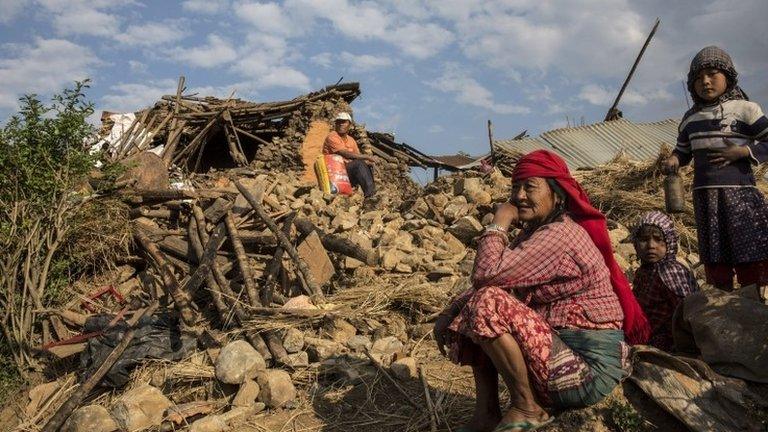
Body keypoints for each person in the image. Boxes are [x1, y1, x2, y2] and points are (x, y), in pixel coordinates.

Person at [434, 150, 649, 432]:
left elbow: (486, 276)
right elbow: (499, 283)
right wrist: (450, 312)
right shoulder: (537, 234)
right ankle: (486, 414)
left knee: (487, 302)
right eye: (515, 187)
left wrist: (499, 222)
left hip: (587, 371)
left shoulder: (560, 235)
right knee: (475, 306)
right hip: (562, 356)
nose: (519, 195)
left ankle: (527, 406)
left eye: (529, 187)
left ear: (556, 194)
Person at [663, 46, 768, 300]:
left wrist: (742, 153)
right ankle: (721, 305)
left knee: (747, 249)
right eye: (698, 78)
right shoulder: (690, 119)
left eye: (712, 74)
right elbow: (683, 150)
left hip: (740, 197)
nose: (705, 81)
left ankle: (751, 303)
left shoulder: (746, 109)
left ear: (728, 76)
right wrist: (675, 159)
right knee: (714, 250)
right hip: (705, 198)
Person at [631, 211, 698, 351]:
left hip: (669, 338)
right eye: (644, 239)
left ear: (669, 242)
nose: (651, 245)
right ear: (635, 243)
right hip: (647, 331)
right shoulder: (643, 271)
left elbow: (686, 313)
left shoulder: (670, 272)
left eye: (658, 239)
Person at [323, 112, 377, 200]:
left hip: (346, 173)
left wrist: (368, 162)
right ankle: (370, 196)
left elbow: (357, 156)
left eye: (344, 122)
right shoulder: (332, 137)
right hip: (334, 174)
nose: (341, 124)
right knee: (358, 164)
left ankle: (370, 194)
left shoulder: (351, 140)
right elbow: (344, 153)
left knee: (366, 165)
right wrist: (367, 157)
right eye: (338, 122)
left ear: (350, 125)